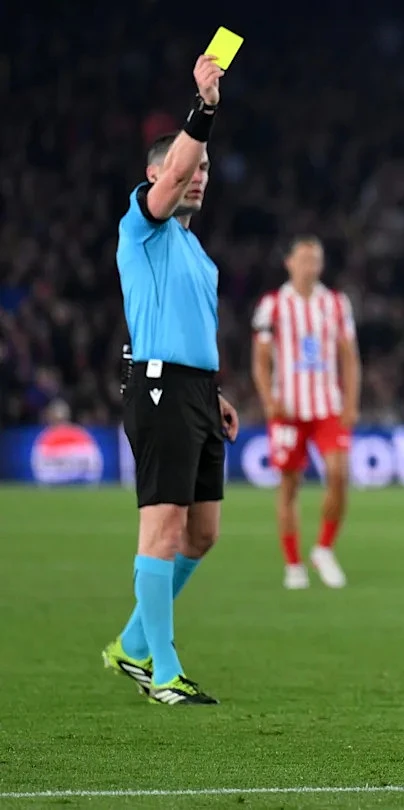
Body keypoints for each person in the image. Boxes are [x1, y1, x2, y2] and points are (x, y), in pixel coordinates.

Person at [101, 55, 238, 704]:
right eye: (190, 167)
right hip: (159, 389)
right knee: (161, 529)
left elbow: (192, 329)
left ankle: (131, 643)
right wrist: (204, 107)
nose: (199, 176)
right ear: (156, 175)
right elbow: (178, 168)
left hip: (196, 392)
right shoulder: (143, 225)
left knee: (203, 534)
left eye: (207, 170)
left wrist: (216, 393)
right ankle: (163, 670)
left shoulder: (194, 251)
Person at [251, 236, 360, 589]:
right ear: (289, 263)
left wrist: (352, 402)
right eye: (304, 259)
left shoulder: (337, 303)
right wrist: (268, 400)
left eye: (316, 260)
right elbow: (260, 359)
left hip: (328, 404)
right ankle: (293, 564)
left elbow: (349, 356)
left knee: (339, 474)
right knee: (289, 485)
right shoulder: (272, 306)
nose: (310, 266)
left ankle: (324, 549)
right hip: (288, 408)